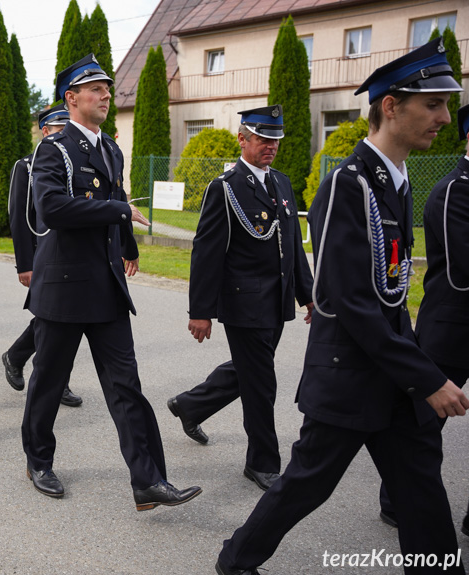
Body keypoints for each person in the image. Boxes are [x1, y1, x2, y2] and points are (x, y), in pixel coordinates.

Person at [215, 38, 469, 575]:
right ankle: (236, 560)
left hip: (392, 378)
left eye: (448, 104)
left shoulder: (394, 182)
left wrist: (412, 375)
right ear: (391, 106)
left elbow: (391, 293)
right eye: (433, 104)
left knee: (421, 488)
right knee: (306, 484)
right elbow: (350, 302)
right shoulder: (347, 185)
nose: (445, 118)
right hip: (350, 376)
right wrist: (426, 376)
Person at [21, 54, 201, 510]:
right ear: (71, 98)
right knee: (48, 382)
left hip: (105, 288)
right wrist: (120, 212)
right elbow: (53, 209)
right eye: (95, 89)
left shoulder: (111, 149)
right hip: (62, 288)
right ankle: (38, 460)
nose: (106, 95)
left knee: (126, 387)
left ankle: (147, 480)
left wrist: (129, 247)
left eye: (107, 89)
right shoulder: (54, 149)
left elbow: (113, 197)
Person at [166, 105, 313, 492]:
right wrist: (201, 311)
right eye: (263, 139)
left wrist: (308, 295)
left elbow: (293, 247)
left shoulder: (281, 183)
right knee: (262, 382)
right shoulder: (226, 188)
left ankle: (191, 404)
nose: (271, 147)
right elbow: (207, 251)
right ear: (242, 139)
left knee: (249, 370)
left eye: (275, 140)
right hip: (244, 303)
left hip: (276, 301)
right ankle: (261, 462)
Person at [389, 102, 469, 538]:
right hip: (452, 325)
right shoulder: (454, 189)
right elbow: (461, 269)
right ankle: (395, 500)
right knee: (421, 423)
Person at [3, 103, 82, 407]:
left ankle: (20, 357)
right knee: (57, 320)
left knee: (67, 320)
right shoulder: (27, 165)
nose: (66, 134)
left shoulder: (80, 160)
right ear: (45, 131)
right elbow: (20, 217)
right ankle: (38, 369)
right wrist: (25, 263)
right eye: (60, 129)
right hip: (44, 255)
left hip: (75, 254)